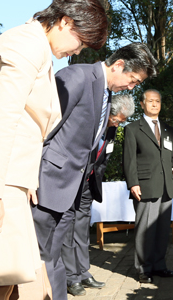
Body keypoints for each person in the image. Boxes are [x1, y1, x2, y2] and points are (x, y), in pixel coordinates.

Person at [0, 0, 108, 300]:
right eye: (81, 41)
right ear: (65, 22)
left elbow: (27, 127)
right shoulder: (27, 44)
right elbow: (2, 119)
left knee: (15, 280)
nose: (78, 51)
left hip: (11, 181)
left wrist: (26, 179)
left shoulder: (37, 48)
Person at [33, 43, 157, 300]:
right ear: (119, 65)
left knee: (53, 258)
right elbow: (41, 131)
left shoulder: (106, 94)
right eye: (133, 80)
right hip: (47, 185)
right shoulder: (76, 77)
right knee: (39, 260)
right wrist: (29, 179)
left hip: (71, 190)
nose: (132, 87)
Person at [62, 94, 135, 296]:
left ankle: (84, 272)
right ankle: (71, 277)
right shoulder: (90, 123)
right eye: (118, 120)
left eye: (123, 121)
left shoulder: (111, 129)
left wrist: (94, 181)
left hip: (87, 185)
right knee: (67, 229)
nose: (119, 125)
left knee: (82, 228)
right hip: (71, 182)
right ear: (109, 112)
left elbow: (102, 159)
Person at [123, 89, 173, 284]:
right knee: (145, 230)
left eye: (157, 101)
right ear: (142, 104)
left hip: (166, 187)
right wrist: (133, 183)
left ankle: (159, 265)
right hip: (145, 186)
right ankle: (143, 269)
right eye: (150, 101)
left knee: (162, 229)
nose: (155, 104)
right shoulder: (132, 129)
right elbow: (129, 160)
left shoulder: (168, 130)